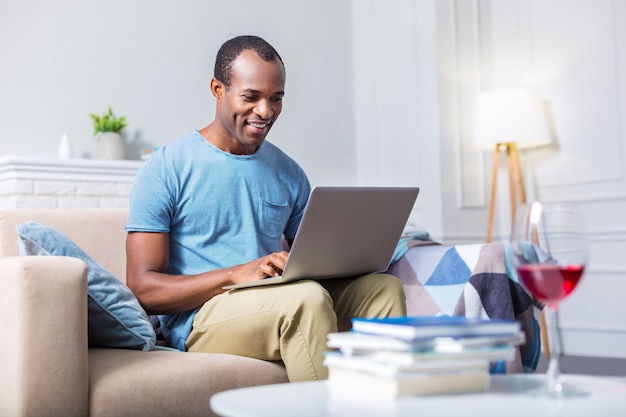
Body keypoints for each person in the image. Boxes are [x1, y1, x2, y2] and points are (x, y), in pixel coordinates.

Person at [125, 35, 407, 382]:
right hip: (203, 318)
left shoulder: (288, 172)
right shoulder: (166, 167)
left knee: (383, 290)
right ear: (217, 89)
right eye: (251, 97)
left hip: (278, 297)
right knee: (306, 300)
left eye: (276, 98)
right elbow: (143, 288)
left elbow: (314, 263)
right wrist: (234, 273)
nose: (266, 111)